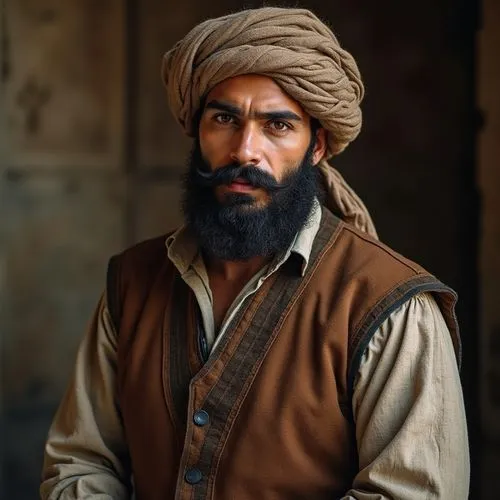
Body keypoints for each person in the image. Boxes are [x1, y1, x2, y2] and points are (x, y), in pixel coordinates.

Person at [40, 7, 469, 500]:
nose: (245, 150)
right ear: (196, 132)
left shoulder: (390, 306)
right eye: (224, 118)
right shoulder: (133, 284)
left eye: (278, 126)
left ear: (318, 147)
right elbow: (79, 465)